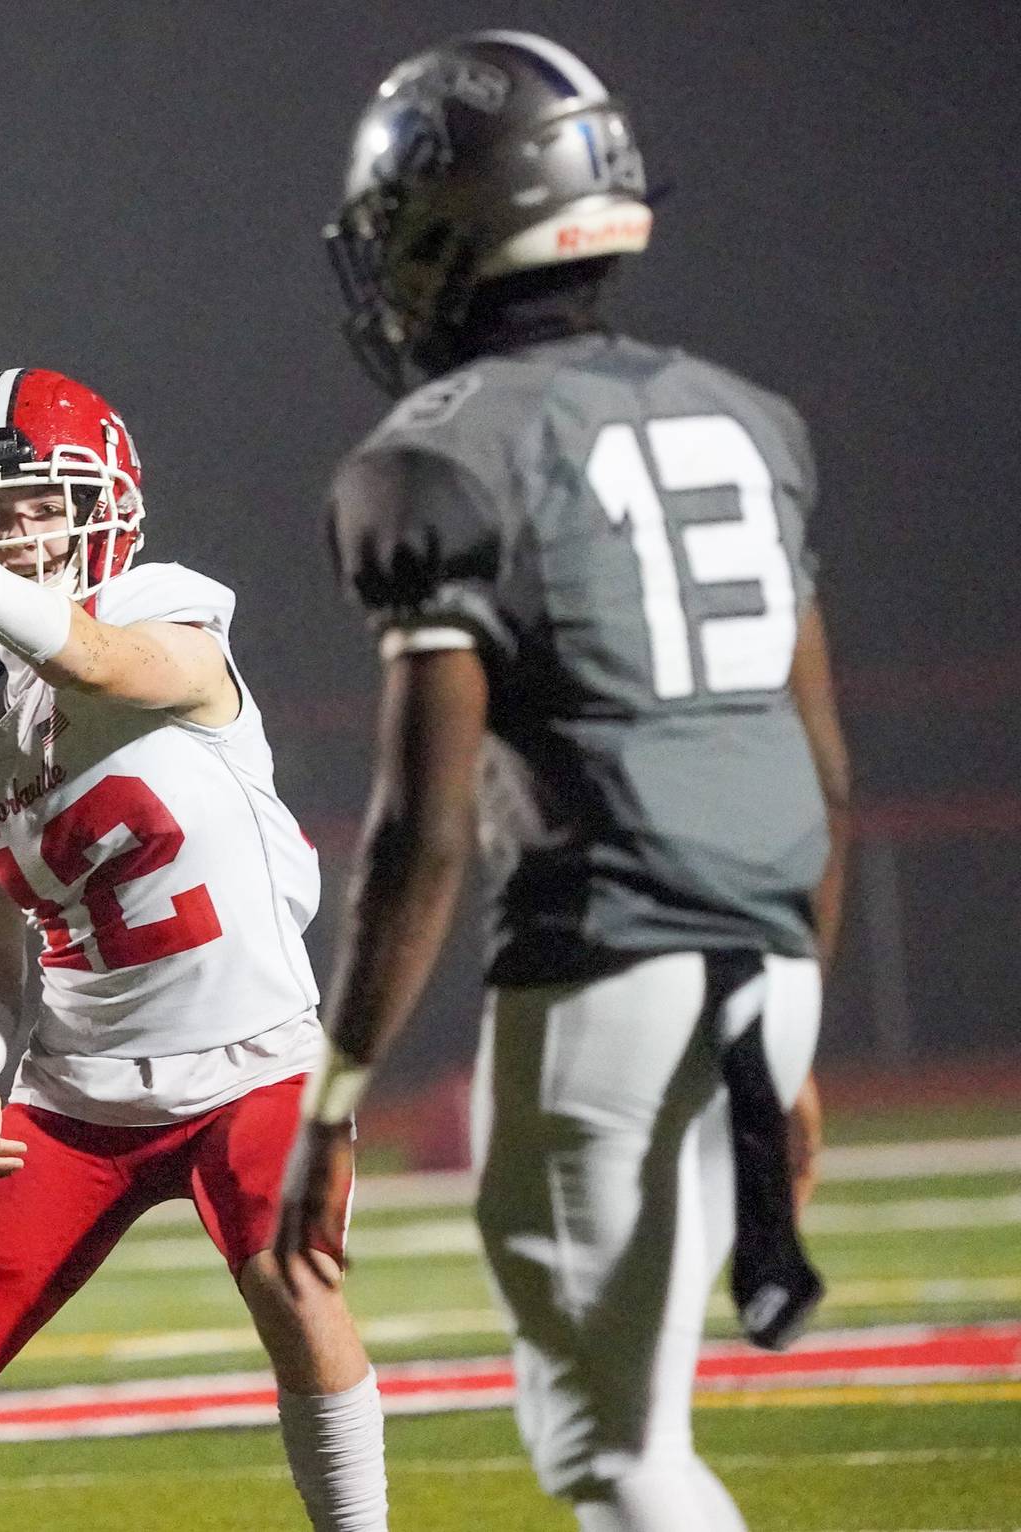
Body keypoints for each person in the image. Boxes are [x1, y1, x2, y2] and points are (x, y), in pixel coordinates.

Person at [274, 32, 850, 1532]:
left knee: (613, 1451)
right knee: (636, 1430)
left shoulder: (438, 460)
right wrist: (794, 1032)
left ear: (448, 227)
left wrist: (333, 1097)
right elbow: (825, 773)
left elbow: (425, 822)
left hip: (609, 967)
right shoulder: (748, 418)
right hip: (769, 954)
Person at [0, 368, 388, 1532]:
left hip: (258, 1061)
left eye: (40, 503)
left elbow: (105, 668)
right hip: (75, 1099)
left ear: (104, 503)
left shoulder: (170, 614)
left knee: (294, 1285)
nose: (16, 531)